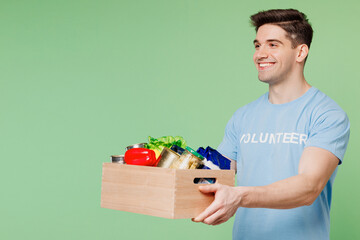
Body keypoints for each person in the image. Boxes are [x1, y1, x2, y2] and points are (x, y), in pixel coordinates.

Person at [193, 9, 350, 240]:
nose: (260, 54)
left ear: (300, 52)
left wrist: (240, 196)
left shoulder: (327, 115)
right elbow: (213, 173)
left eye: (273, 45)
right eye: (257, 45)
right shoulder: (243, 116)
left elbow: (309, 186)